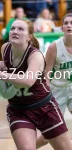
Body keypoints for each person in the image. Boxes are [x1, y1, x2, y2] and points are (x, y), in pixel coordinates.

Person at [0, 19, 72, 150]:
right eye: (13, 28)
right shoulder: (5, 48)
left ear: (29, 37)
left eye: (21, 29)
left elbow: (28, 81)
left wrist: (0, 74)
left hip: (44, 107)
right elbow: (9, 68)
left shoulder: (35, 55)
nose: (15, 31)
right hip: (18, 109)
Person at [36, 13, 72, 148]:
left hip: (71, 87)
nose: (69, 25)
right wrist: (45, 95)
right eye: (66, 23)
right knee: (48, 137)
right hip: (56, 91)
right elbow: (46, 74)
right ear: (62, 28)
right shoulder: (54, 47)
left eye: (71, 23)